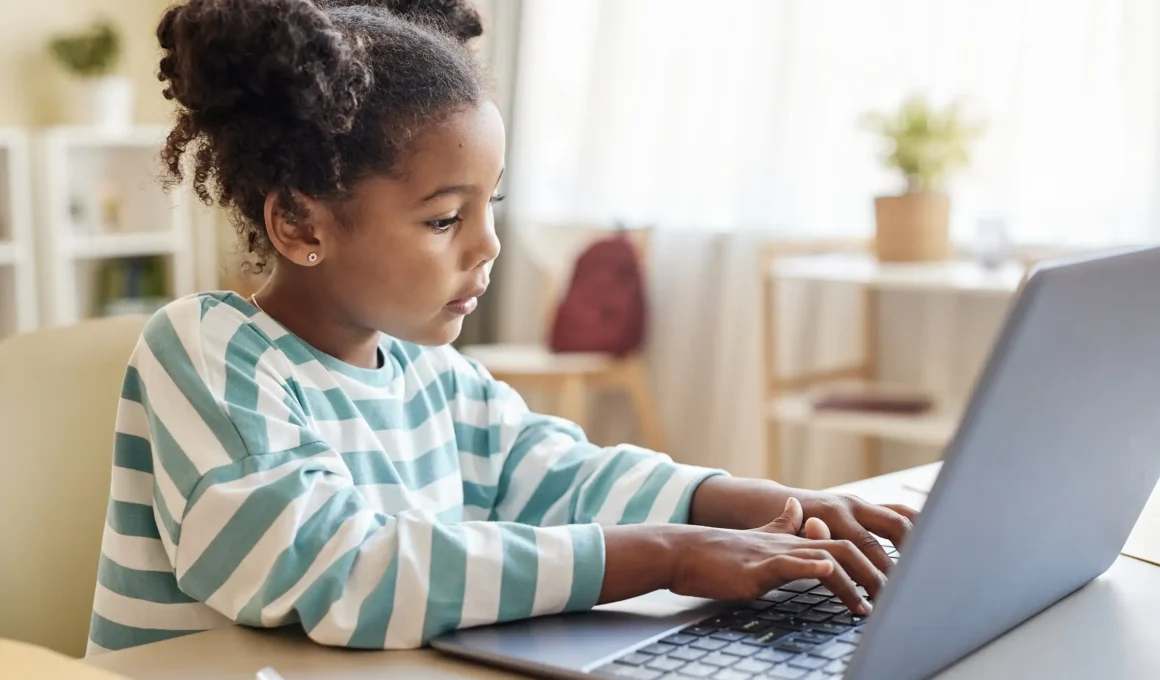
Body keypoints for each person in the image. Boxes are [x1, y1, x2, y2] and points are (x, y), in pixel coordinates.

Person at [87, 0, 917, 656]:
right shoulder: (205, 351)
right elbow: (338, 568)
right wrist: (668, 555)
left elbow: (557, 477)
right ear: (301, 224)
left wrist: (753, 504)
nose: (488, 245)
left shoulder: (431, 374)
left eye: (494, 205)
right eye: (446, 218)